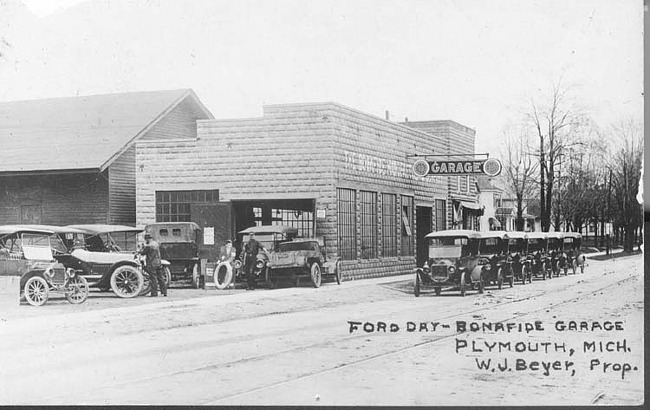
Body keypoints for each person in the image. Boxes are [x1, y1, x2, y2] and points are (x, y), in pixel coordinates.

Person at [139, 232, 167, 297]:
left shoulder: (148, 246)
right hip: (158, 263)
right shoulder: (156, 244)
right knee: (160, 278)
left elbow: (143, 253)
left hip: (151, 264)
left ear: (147, 238)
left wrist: (141, 249)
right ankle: (164, 292)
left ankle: (154, 293)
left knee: (153, 278)